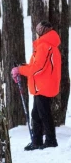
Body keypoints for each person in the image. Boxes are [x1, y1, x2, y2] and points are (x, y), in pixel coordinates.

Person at [12, 20, 61, 150]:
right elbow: (36, 66)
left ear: (42, 32)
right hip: (42, 85)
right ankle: (37, 140)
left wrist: (20, 70)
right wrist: (22, 68)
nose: (36, 32)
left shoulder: (45, 46)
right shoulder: (46, 45)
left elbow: (38, 68)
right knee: (37, 114)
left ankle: (50, 141)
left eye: (38, 30)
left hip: (43, 85)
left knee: (43, 113)